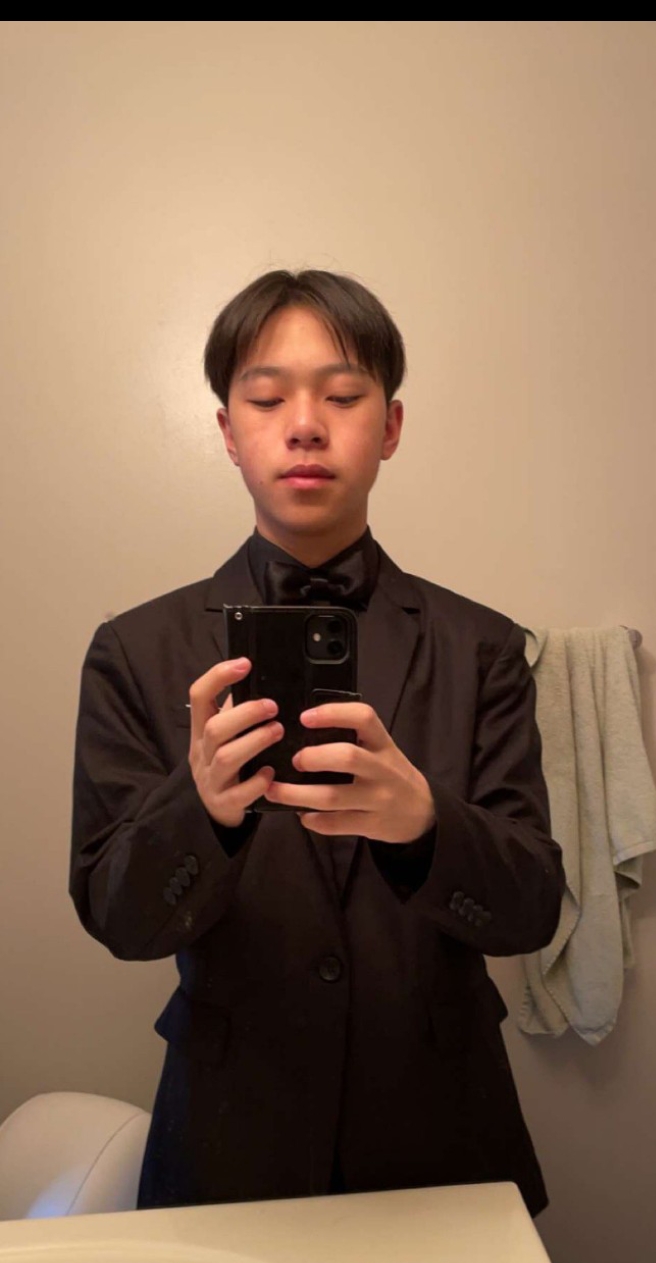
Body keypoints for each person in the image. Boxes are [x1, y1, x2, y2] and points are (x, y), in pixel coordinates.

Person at [70, 269, 564, 1215]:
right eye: (267, 399)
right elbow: (118, 919)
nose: (304, 425)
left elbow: (533, 909)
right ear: (229, 431)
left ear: (390, 427)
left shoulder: (484, 647)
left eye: (342, 396)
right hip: (230, 1137)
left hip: (442, 1134)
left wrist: (425, 826)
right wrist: (200, 811)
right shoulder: (135, 650)